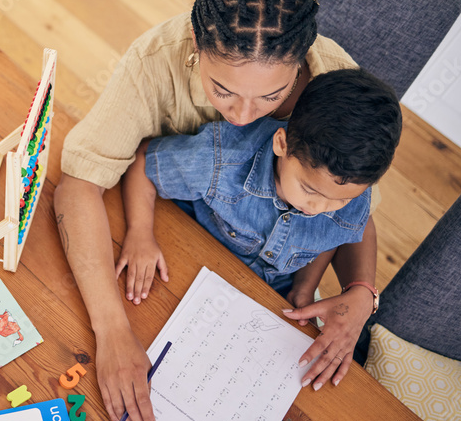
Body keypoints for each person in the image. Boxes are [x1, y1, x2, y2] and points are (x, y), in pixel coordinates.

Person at [54, 0, 383, 421]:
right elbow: (78, 186)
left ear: (302, 60)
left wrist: (362, 291)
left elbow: (347, 209)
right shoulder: (154, 61)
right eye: (223, 90)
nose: (244, 116)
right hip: (172, 241)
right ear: (195, 42)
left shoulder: (337, 90)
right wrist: (111, 331)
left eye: (271, 97)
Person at [122, 68, 400, 341]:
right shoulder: (222, 160)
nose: (318, 208)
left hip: (265, 295)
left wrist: (306, 286)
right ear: (282, 144)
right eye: (308, 190)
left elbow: (327, 237)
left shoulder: (351, 193)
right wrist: (140, 233)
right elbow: (145, 161)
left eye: (340, 200)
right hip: (187, 258)